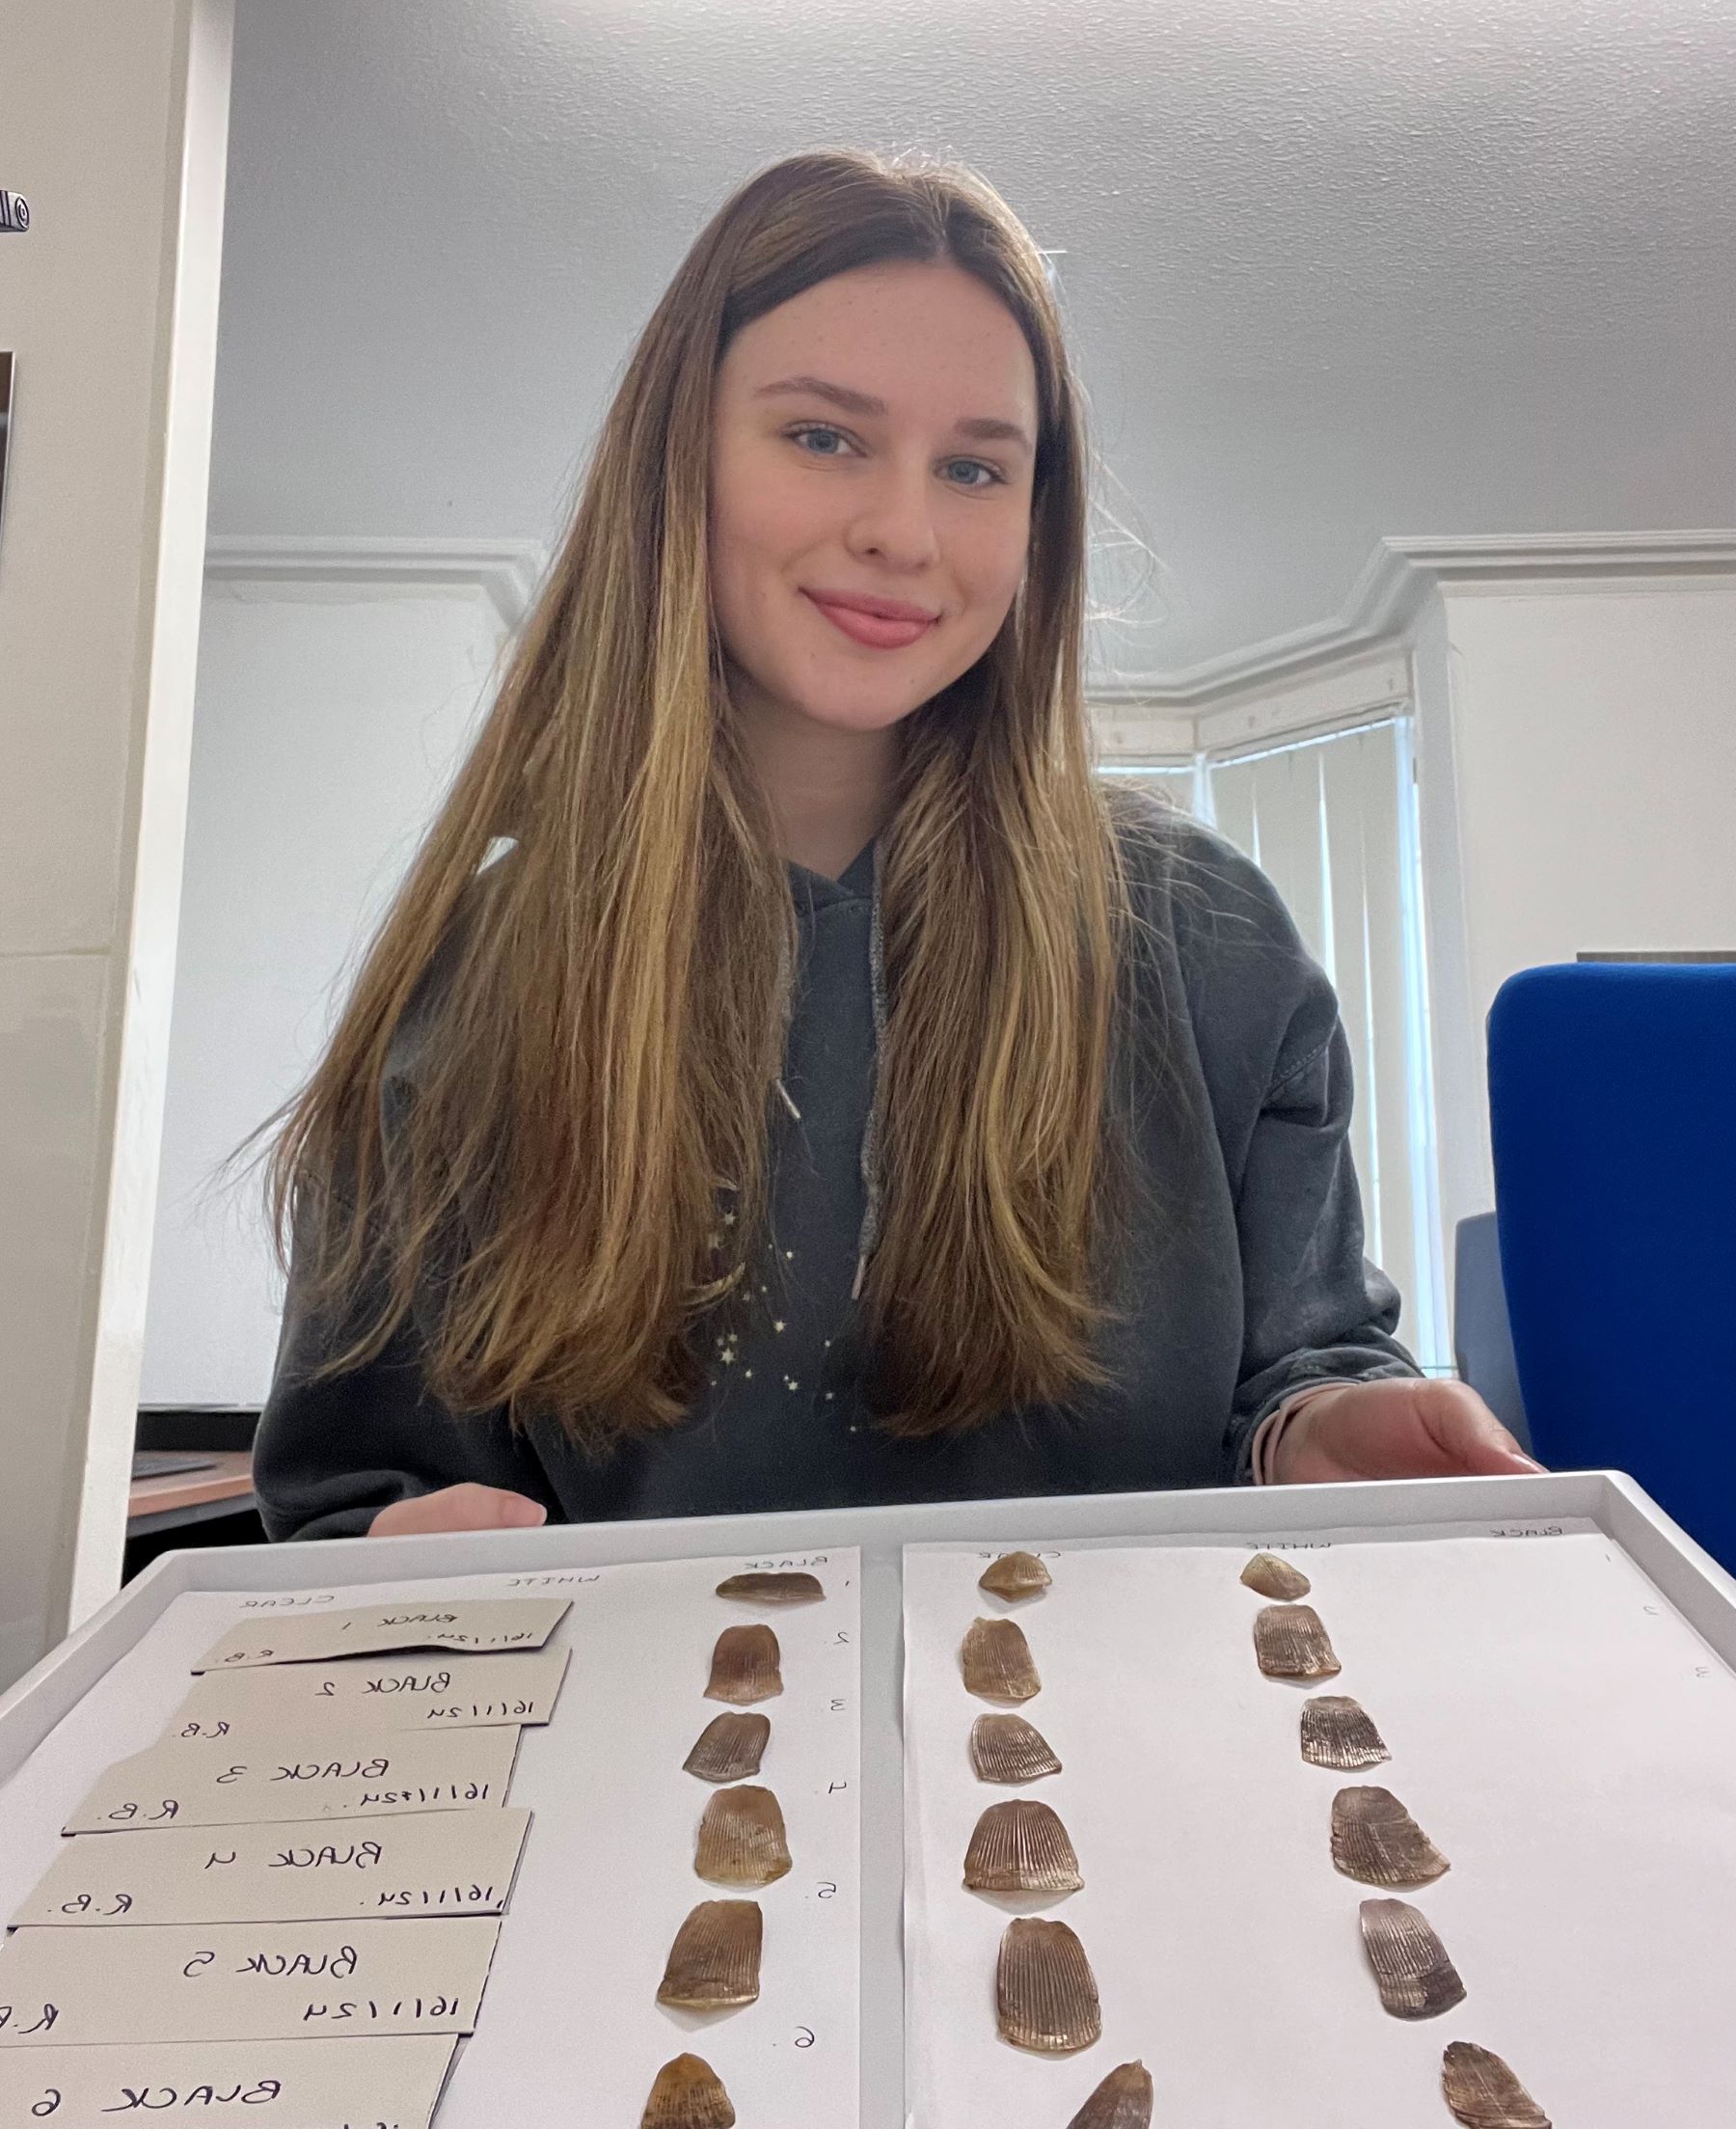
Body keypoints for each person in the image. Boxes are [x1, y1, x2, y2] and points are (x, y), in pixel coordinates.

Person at [253, 149, 1537, 1543]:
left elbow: (1300, 1364)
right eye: (822, 437)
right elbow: (352, 1487)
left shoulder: (1207, 940)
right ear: (675, 461)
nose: (905, 532)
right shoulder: (477, 979)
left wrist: (1325, 1430)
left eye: (977, 467)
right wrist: (399, 1551)